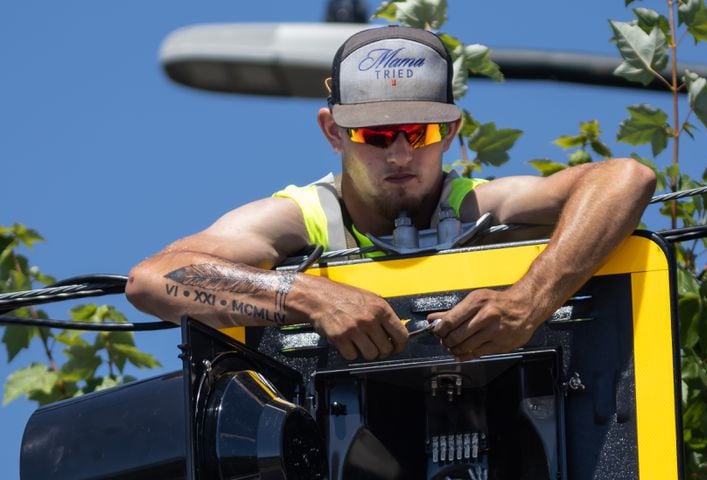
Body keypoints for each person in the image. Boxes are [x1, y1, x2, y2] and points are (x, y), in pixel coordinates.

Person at [126, 25, 655, 362]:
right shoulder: (305, 217)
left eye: (420, 132)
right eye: (376, 136)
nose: (400, 156)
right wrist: (309, 295)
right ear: (333, 132)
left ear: (450, 133)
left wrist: (527, 303)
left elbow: (625, 178)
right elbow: (151, 280)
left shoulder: (476, 204)